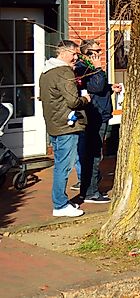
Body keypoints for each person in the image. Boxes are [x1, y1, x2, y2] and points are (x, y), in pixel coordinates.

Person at [40, 40, 90, 218]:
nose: (76, 58)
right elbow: (73, 101)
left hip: (54, 124)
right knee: (64, 166)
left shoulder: (46, 72)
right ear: (62, 53)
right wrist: (86, 99)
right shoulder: (63, 72)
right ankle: (60, 205)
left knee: (60, 165)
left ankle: (60, 201)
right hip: (67, 125)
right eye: (74, 54)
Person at [74, 40, 122, 204]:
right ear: (87, 54)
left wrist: (110, 88)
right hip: (94, 116)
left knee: (94, 154)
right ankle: (90, 192)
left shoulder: (91, 68)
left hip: (101, 114)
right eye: (96, 51)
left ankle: (89, 188)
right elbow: (94, 87)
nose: (99, 54)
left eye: (100, 50)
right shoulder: (84, 68)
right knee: (93, 155)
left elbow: (99, 87)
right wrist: (98, 68)